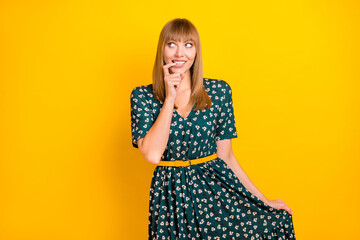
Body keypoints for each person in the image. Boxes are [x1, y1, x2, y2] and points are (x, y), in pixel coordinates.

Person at [130, 18, 296, 240]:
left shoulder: (218, 92)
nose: (180, 53)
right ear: (162, 49)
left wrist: (264, 200)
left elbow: (226, 156)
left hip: (214, 192)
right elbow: (152, 155)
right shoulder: (142, 96)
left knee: (274, 223)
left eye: (188, 45)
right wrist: (169, 97)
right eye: (172, 44)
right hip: (170, 196)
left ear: (196, 51)